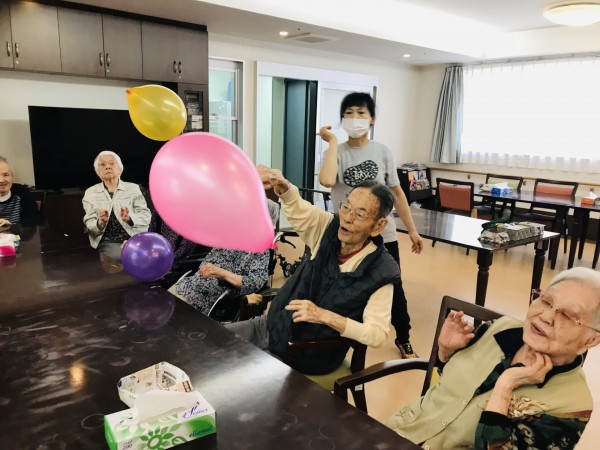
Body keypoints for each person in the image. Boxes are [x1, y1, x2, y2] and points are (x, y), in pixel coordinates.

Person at [386, 267, 600, 450]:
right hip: (398, 433)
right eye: (545, 300)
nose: (546, 316)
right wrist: (446, 353)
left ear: (591, 340)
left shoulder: (571, 406)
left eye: (567, 316)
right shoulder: (500, 328)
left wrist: (505, 386)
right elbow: (448, 384)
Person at [226, 165, 400, 375]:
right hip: (274, 326)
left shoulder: (382, 271)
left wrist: (324, 316)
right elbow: (299, 209)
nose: (347, 217)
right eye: (346, 206)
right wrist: (282, 184)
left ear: (378, 226)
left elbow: (377, 334)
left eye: (360, 214)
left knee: (232, 374)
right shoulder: (328, 227)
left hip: (307, 353)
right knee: (207, 342)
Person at [318, 92, 423, 358]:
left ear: (372, 118)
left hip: (382, 235)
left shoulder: (383, 151)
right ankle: (334, 336)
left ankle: (404, 337)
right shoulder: (336, 152)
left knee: (393, 287)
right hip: (346, 232)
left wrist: (411, 230)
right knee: (338, 282)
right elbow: (327, 180)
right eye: (349, 113)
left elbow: (397, 193)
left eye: (361, 113)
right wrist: (332, 143)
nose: (355, 118)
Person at [168, 198, 280, 315]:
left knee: (166, 316)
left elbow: (254, 282)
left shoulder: (260, 249)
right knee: (160, 303)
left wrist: (221, 273)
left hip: (210, 296)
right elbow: (209, 260)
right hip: (189, 284)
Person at [82, 151, 151, 261]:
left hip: (135, 238)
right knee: (125, 256)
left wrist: (129, 218)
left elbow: (145, 216)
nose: (108, 167)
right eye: (103, 164)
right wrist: (100, 222)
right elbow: (90, 225)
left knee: (152, 255)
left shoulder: (133, 188)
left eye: (111, 163)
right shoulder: (91, 193)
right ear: (98, 171)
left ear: (120, 168)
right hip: (109, 241)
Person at [0, 156, 40, 227]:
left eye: (6, 175)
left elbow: (34, 220)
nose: (1, 180)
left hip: (20, 233)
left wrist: (11, 227)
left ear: (12, 177)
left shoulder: (22, 191)